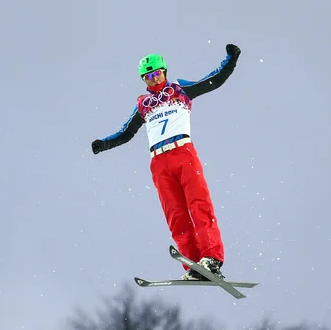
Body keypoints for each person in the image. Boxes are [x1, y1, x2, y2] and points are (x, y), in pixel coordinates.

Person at [91, 43, 242, 280]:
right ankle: (194, 264)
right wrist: (104, 143)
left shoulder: (179, 89)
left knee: (198, 204)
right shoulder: (143, 104)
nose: (153, 79)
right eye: (148, 77)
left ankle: (211, 258)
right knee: (175, 215)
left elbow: (213, 80)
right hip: (159, 162)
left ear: (165, 71)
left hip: (182, 152)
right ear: (143, 80)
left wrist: (230, 59)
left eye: (156, 74)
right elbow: (127, 132)